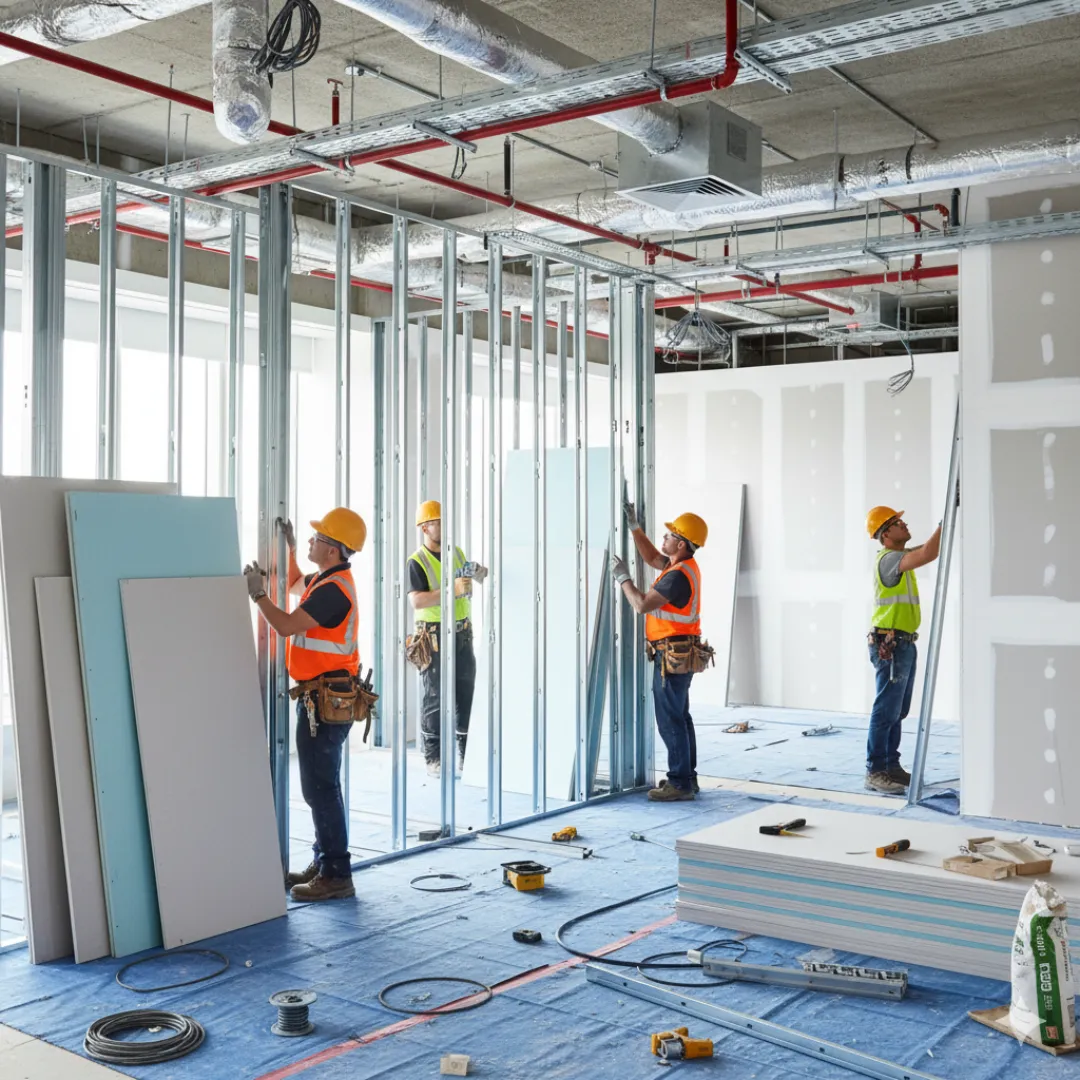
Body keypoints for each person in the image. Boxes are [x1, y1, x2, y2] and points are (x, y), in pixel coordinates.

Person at [244, 507, 367, 901]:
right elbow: (298, 583)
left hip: (326, 700)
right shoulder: (328, 579)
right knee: (322, 785)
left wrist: (258, 594)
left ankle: (336, 873)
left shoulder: (334, 591)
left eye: (317, 538)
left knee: (320, 787)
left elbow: (284, 625)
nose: (313, 541)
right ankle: (325, 861)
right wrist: (293, 548)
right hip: (322, 696)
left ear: (333, 550)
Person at [613, 503, 709, 802]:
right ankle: (687, 779)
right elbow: (654, 557)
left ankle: (679, 783)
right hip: (679, 653)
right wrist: (634, 527)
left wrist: (622, 578)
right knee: (680, 716)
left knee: (670, 719)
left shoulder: (676, 577)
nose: (664, 539)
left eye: (669, 535)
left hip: (672, 656)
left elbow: (641, 604)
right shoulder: (679, 566)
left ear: (681, 544)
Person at [864, 506, 941, 795]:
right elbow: (928, 554)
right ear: (886, 534)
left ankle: (891, 766)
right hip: (891, 645)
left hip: (903, 643)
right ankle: (875, 770)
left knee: (898, 711)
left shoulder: (899, 557)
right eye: (898, 523)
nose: (905, 524)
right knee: (886, 709)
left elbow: (928, 548)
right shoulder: (889, 560)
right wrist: (944, 520)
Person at [407, 500, 486, 777]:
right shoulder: (417, 561)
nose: (442, 526)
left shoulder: (456, 553)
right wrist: (450, 589)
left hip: (463, 631)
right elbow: (416, 601)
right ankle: (434, 760)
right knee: (434, 696)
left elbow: (473, 576)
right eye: (437, 522)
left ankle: (465, 756)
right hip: (434, 635)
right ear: (425, 527)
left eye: (443, 521)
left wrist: (478, 572)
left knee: (466, 693)